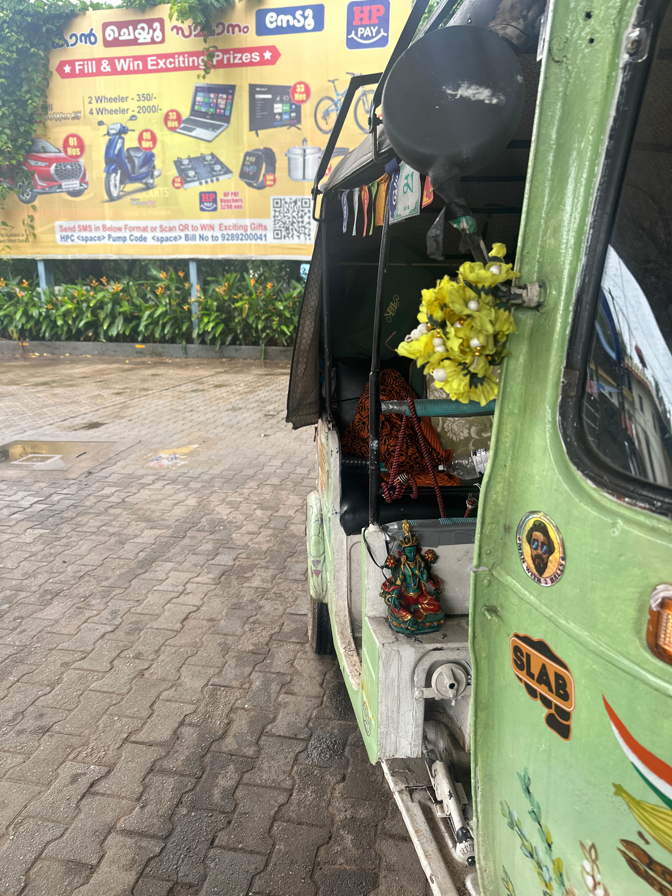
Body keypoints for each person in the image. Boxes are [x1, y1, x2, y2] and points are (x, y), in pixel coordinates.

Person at [380, 520, 445, 634]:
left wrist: (424, 574)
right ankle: (410, 617)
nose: (412, 554)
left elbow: (424, 580)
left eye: (414, 551)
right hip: (407, 595)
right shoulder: (403, 566)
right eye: (409, 551)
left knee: (436, 606)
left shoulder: (420, 564)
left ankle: (415, 609)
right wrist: (394, 596)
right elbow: (399, 583)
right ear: (404, 552)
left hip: (419, 595)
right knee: (394, 606)